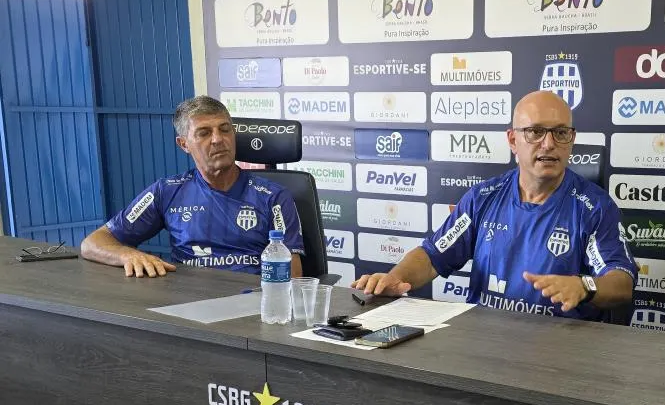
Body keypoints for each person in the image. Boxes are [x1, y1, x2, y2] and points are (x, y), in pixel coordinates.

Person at [353, 90, 636, 319]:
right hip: (483, 342)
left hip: (558, 351)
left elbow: (620, 281)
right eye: (535, 132)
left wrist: (584, 286)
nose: (549, 144)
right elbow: (432, 256)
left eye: (561, 133)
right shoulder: (483, 197)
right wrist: (394, 278)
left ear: (571, 140)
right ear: (513, 140)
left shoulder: (594, 208)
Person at [81, 96, 304, 278]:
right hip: (188, 306)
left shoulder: (274, 196)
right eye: (204, 133)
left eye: (225, 129)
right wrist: (126, 255)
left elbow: (293, 277)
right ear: (184, 144)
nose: (218, 139)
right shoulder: (166, 191)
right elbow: (92, 243)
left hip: (254, 305)